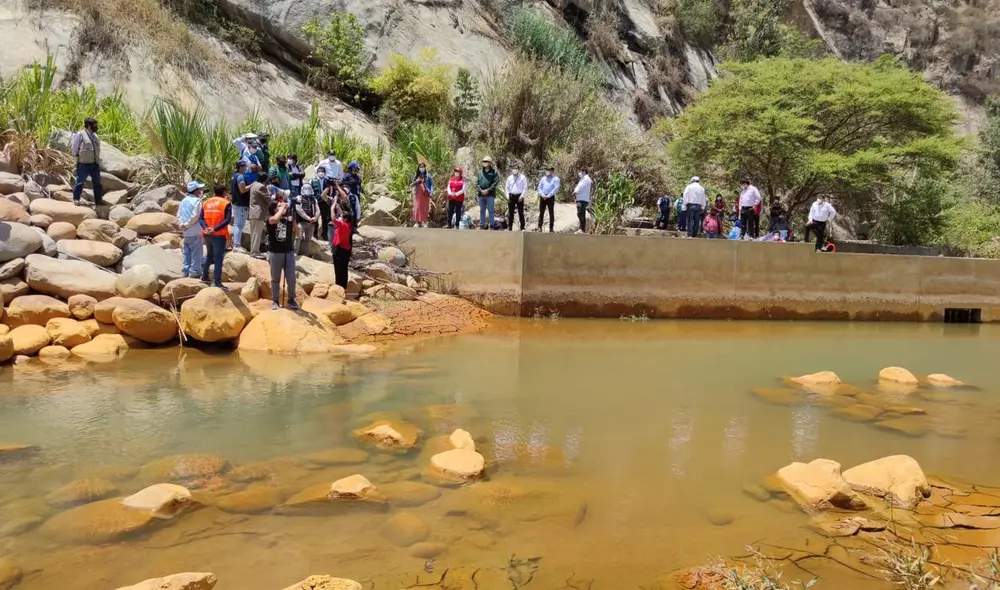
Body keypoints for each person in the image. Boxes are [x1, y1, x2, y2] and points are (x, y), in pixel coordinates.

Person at [266, 188, 299, 310]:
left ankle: (291, 299)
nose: (282, 207)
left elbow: (296, 232)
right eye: (278, 206)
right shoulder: (270, 219)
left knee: (291, 277)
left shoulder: (288, 219)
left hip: (288, 251)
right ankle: (275, 300)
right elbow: (275, 219)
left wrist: (293, 221)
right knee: (275, 278)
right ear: (274, 209)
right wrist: (281, 209)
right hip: (275, 252)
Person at [199, 183, 232, 289]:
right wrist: (215, 229)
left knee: (209, 255)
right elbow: (227, 220)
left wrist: (206, 228)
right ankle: (216, 282)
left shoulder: (206, 202)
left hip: (207, 233)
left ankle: (204, 276)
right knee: (218, 258)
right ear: (224, 192)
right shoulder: (226, 203)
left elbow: (201, 218)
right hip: (218, 235)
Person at [70, 117, 103, 206]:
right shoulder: (80, 134)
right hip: (83, 164)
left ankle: (98, 200)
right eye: (94, 125)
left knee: (97, 183)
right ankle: (76, 199)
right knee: (80, 182)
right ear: (88, 126)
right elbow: (74, 148)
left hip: (94, 164)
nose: (96, 127)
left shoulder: (95, 136)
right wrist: (78, 157)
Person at [178, 181, 205, 278]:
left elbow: (179, 214)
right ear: (196, 191)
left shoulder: (183, 201)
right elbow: (195, 216)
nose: (201, 191)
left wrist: (182, 224)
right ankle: (194, 272)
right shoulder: (197, 201)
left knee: (186, 251)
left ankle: (185, 271)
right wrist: (187, 225)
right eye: (199, 189)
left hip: (186, 232)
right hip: (195, 230)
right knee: (196, 252)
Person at [247, 176, 273, 258]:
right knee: (257, 234)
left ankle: (254, 251)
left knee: (254, 234)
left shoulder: (254, 185)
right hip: (258, 213)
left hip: (253, 213)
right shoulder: (261, 187)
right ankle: (255, 252)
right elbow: (268, 199)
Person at [230, 160, 251, 252]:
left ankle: (234, 242)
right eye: (244, 167)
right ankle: (237, 245)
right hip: (241, 204)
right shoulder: (240, 177)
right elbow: (242, 190)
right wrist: (252, 185)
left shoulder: (234, 176)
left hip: (236, 203)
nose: (246, 168)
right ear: (241, 167)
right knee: (239, 225)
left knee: (236, 224)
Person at [331, 205, 353, 292]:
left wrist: (332, 209)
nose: (340, 217)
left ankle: (339, 286)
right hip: (345, 250)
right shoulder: (348, 224)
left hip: (339, 249)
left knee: (338, 268)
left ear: (345, 219)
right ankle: (344, 286)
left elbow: (333, 219)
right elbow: (342, 215)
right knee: (344, 268)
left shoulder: (343, 225)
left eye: (342, 217)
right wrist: (337, 206)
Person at [339, 162, 363, 238]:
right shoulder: (346, 176)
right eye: (355, 168)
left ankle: (354, 227)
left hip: (356, 196)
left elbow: (359, 185)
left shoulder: (357, 177)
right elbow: (341, 184)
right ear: (351, 168)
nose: (357, 170)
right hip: (348, 196)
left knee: (356, 212)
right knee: (350, 212)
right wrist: (349, 183)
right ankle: (348, 228)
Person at [294, 183, 319, 255]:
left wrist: (315, 218)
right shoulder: (299, 198)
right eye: (305, 188)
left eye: (308, 188)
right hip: (301, 222)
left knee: (308, 239)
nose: (307, 190)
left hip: (312, 223)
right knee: (298, 237)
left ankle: (306, 254)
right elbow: (299, 210)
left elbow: (318, 210)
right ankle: (295, 253)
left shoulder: (314, 199)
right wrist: (307, 218)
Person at [476, 157, 499, 229]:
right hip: (481, 195)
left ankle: (492, 225)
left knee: (491, 210)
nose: (484, 162)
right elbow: (477, 183)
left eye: (486, 161)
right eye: (483, 161)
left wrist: (488, 190)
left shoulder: (494, 172)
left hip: (490, 195)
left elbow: (495, 183)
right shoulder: (480, 172)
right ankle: (482, 225)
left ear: (489, 163)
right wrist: (480, 190)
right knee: (482, 210)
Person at [312, 166, 334, 241]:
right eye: (319, 171)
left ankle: (324, 235)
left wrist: (329, 199)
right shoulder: (313, 181)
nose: (321, 173)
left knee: (325, 219)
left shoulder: (327, 181)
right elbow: (311, 191)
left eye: (322, 171)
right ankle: (314, 234)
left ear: (324, 173)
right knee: (315, 218)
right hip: (316, 202)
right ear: (317, 172)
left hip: (325, 202)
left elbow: (331, 191)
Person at [504, 163, 528, 231]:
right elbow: (506, 188)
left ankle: (522, 227)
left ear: (518, 169)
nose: (514, 170)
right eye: (513, 169)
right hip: (511, 196)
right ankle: (510, 227)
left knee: (521, 212)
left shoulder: (523, 177)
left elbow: (525, 188)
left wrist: (522, 196)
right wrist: (507, 196)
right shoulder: (509, 177)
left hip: (519, 196)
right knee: (511, 212)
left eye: (516, 169)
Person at [537, 165, 560, 233]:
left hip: (550, 197)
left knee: (551, 213)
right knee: (541, 212)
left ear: (552, 171)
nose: (547, 171)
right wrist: (542, 194)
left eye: (549, 170)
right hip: (543, 197)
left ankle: (551, 228)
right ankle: (539, 227)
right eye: (546, 170)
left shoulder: (555, 179)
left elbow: (556, 188)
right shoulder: (543, 178)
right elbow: (539, 187)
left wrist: (548, 195)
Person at [410, 163, 433, 228]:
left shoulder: (428, 175)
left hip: (425, 193)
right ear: (418, 168)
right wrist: (417, 181)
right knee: (417, 208)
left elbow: (431, 184)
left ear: (425, 168)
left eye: (423, 167)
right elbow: (412, 184)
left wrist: (431, 192)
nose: (422, 168)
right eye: (420, 167)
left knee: (424, 208)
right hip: (417, 193)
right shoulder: (416, 175)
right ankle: (417, 222)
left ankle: (424, 222)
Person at [572, 168, 593, 234]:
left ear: (584, 172)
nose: (579, 173)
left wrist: (575, 192)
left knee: (581, 213)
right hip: (580, 198)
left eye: (580, 171)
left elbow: (580, 187)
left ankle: (582, 229)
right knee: (580, 213)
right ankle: (581, 229)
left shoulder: (586, 179)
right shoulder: (583, 179)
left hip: (583, 199)